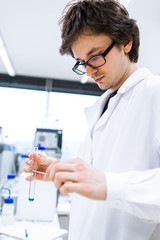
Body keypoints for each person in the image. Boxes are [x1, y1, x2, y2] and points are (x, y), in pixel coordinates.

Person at [24, 0, 160, 239]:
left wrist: (109, 184)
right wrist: (63, 172)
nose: (88, 71)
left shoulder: (154, 93)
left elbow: (107, 183)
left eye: (95, 57)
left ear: (127, 41)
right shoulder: (104, 106)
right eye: (81, 62)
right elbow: (100, 182)